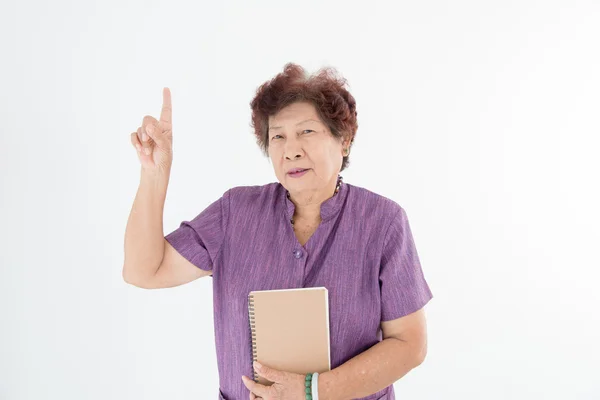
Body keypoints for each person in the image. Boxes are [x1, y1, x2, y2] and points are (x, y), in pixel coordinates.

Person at [123, 63, 433, 400]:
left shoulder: (383, 222)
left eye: (307, 132)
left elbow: (409, 344)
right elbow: (144, 271)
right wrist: (154, 174)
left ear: (343, 140)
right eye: (278, 136)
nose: (291, 149)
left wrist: (312, 390)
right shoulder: (235, 212)